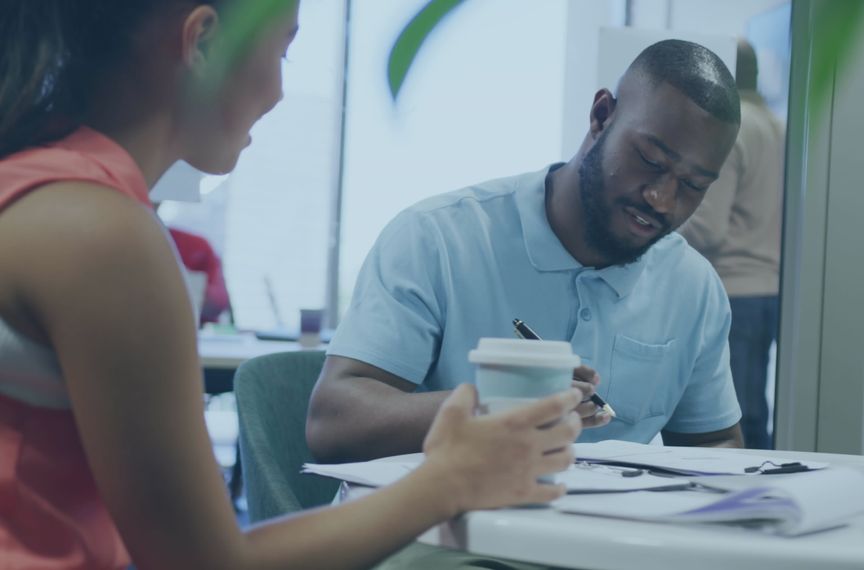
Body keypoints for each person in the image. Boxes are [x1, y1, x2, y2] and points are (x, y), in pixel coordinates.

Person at [0, 1, 582, 569]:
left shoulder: (40, 186)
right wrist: (451, 479)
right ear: (203, 42)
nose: (280, 92)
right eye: (284, 50)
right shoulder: (101, 234)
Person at [308, 39, 746, 466]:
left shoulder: (693, 287)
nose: (662, 199)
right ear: (601, 116)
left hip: (609, 517)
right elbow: (333, 424)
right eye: (650, 160)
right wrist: (498, 407)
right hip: (451, 512)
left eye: (693, 185)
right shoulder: (436, 238)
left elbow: (715, 442)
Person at [678, 40, 785, 450]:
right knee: (755, 414)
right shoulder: (780, 127)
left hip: (734, 290)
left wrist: (650, 226)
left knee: (733, 419)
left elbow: (707, 230)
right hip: (770, 289)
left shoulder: (733, 129)